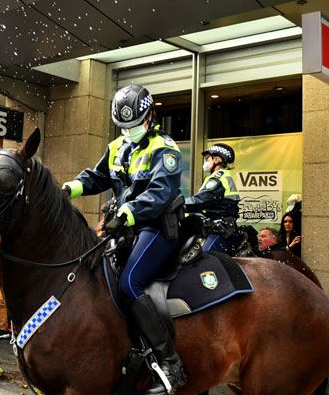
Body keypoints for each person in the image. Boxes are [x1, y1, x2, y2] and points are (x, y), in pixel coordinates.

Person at [62, 84, 186, 394]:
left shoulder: (165, 148)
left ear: (150, 116)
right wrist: (70, 188)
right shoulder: (117, 146)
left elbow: (160, 193)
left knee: (129, 283)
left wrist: (127, 213)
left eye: (134, 125)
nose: (128, 131)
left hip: (156, 227)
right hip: (124, 228)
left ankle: (170, 362)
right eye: (123, 126)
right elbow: (98, 176)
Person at [185, 143, 242, 255]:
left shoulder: (219, 177)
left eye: (207, 158)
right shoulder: (220, 176)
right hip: (216, 227)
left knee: (203, 259)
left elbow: (202, 200)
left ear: (216, 159)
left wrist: (177, 204)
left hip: (221, 230)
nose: (205, 162)